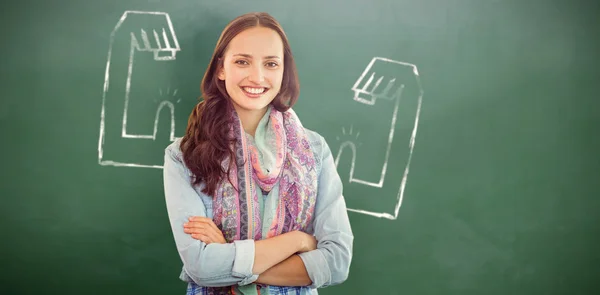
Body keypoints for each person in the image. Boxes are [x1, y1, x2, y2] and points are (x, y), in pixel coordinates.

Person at [163, 11, 354, 295]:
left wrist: (228, 259)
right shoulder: (184, 155)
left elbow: (337, 263)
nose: (258, 76)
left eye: (271, 64)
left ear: (283, 72)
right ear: (221, 68)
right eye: (242, 61)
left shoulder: (314, 151)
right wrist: (298, 241)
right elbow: (200, 267)